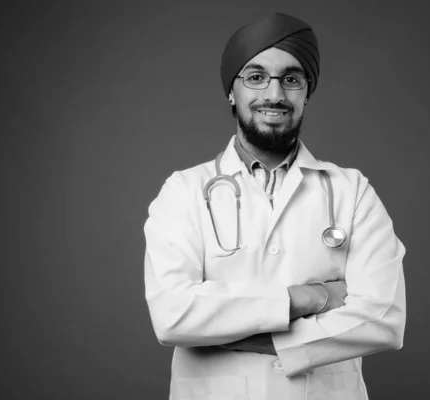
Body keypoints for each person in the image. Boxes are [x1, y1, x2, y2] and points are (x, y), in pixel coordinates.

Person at [143, 12, 406, 400]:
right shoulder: (183, 190)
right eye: (255, 77)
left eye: (291, 79)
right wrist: (310, 298)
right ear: (232, 91)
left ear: (306, 92)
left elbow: (383, 321)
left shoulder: (352, 190)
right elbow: (173, 316)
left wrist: (232, 328)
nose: (274, 94)